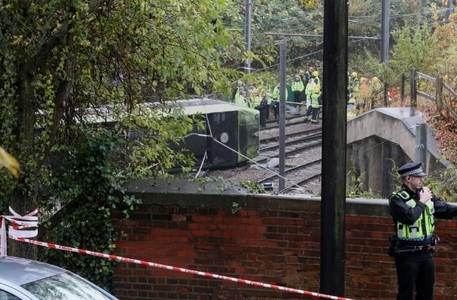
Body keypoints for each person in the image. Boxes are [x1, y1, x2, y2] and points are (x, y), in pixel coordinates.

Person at [388, 162, 457, 300]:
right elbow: (409, 217)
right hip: (407, 255)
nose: (422, 180)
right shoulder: (397, 199)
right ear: (408, 178)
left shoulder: (426, 194)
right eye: (418, 177)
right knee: (406, 294)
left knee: (426, 293)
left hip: (426, 253)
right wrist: (422, 201)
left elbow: (445, 210)